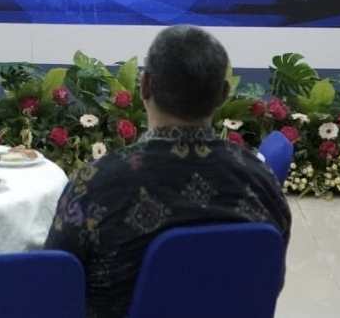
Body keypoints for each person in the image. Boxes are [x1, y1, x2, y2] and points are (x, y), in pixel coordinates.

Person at [45, 25, 291, 318]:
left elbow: (55, 285)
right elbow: (270, 282)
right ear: (224, 94)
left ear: (145, 85)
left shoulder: (96, 184)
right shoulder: (262, 181)